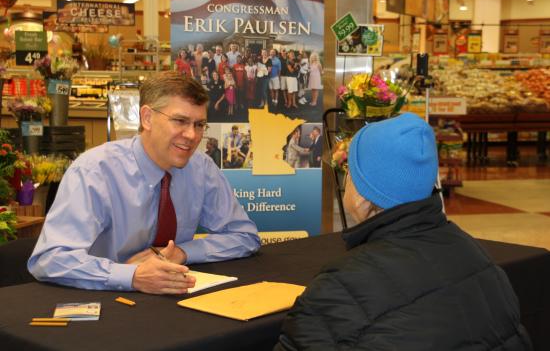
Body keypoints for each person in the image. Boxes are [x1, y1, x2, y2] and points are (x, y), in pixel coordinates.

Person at [275, 113, 532, 350]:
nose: (345, 181)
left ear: (366, 196)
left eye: (349, 172)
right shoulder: (475, 254)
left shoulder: (340, 286)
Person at [28, 72, 260, 294]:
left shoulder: (201, 167)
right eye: (180, 121)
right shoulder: (94, 171)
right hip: (106, 300)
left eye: (199, 124)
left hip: (172, 297)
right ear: (147, 118)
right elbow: (50, 258)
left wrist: (182, 252)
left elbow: (244, 236)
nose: (192, 135)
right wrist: (132, 276)